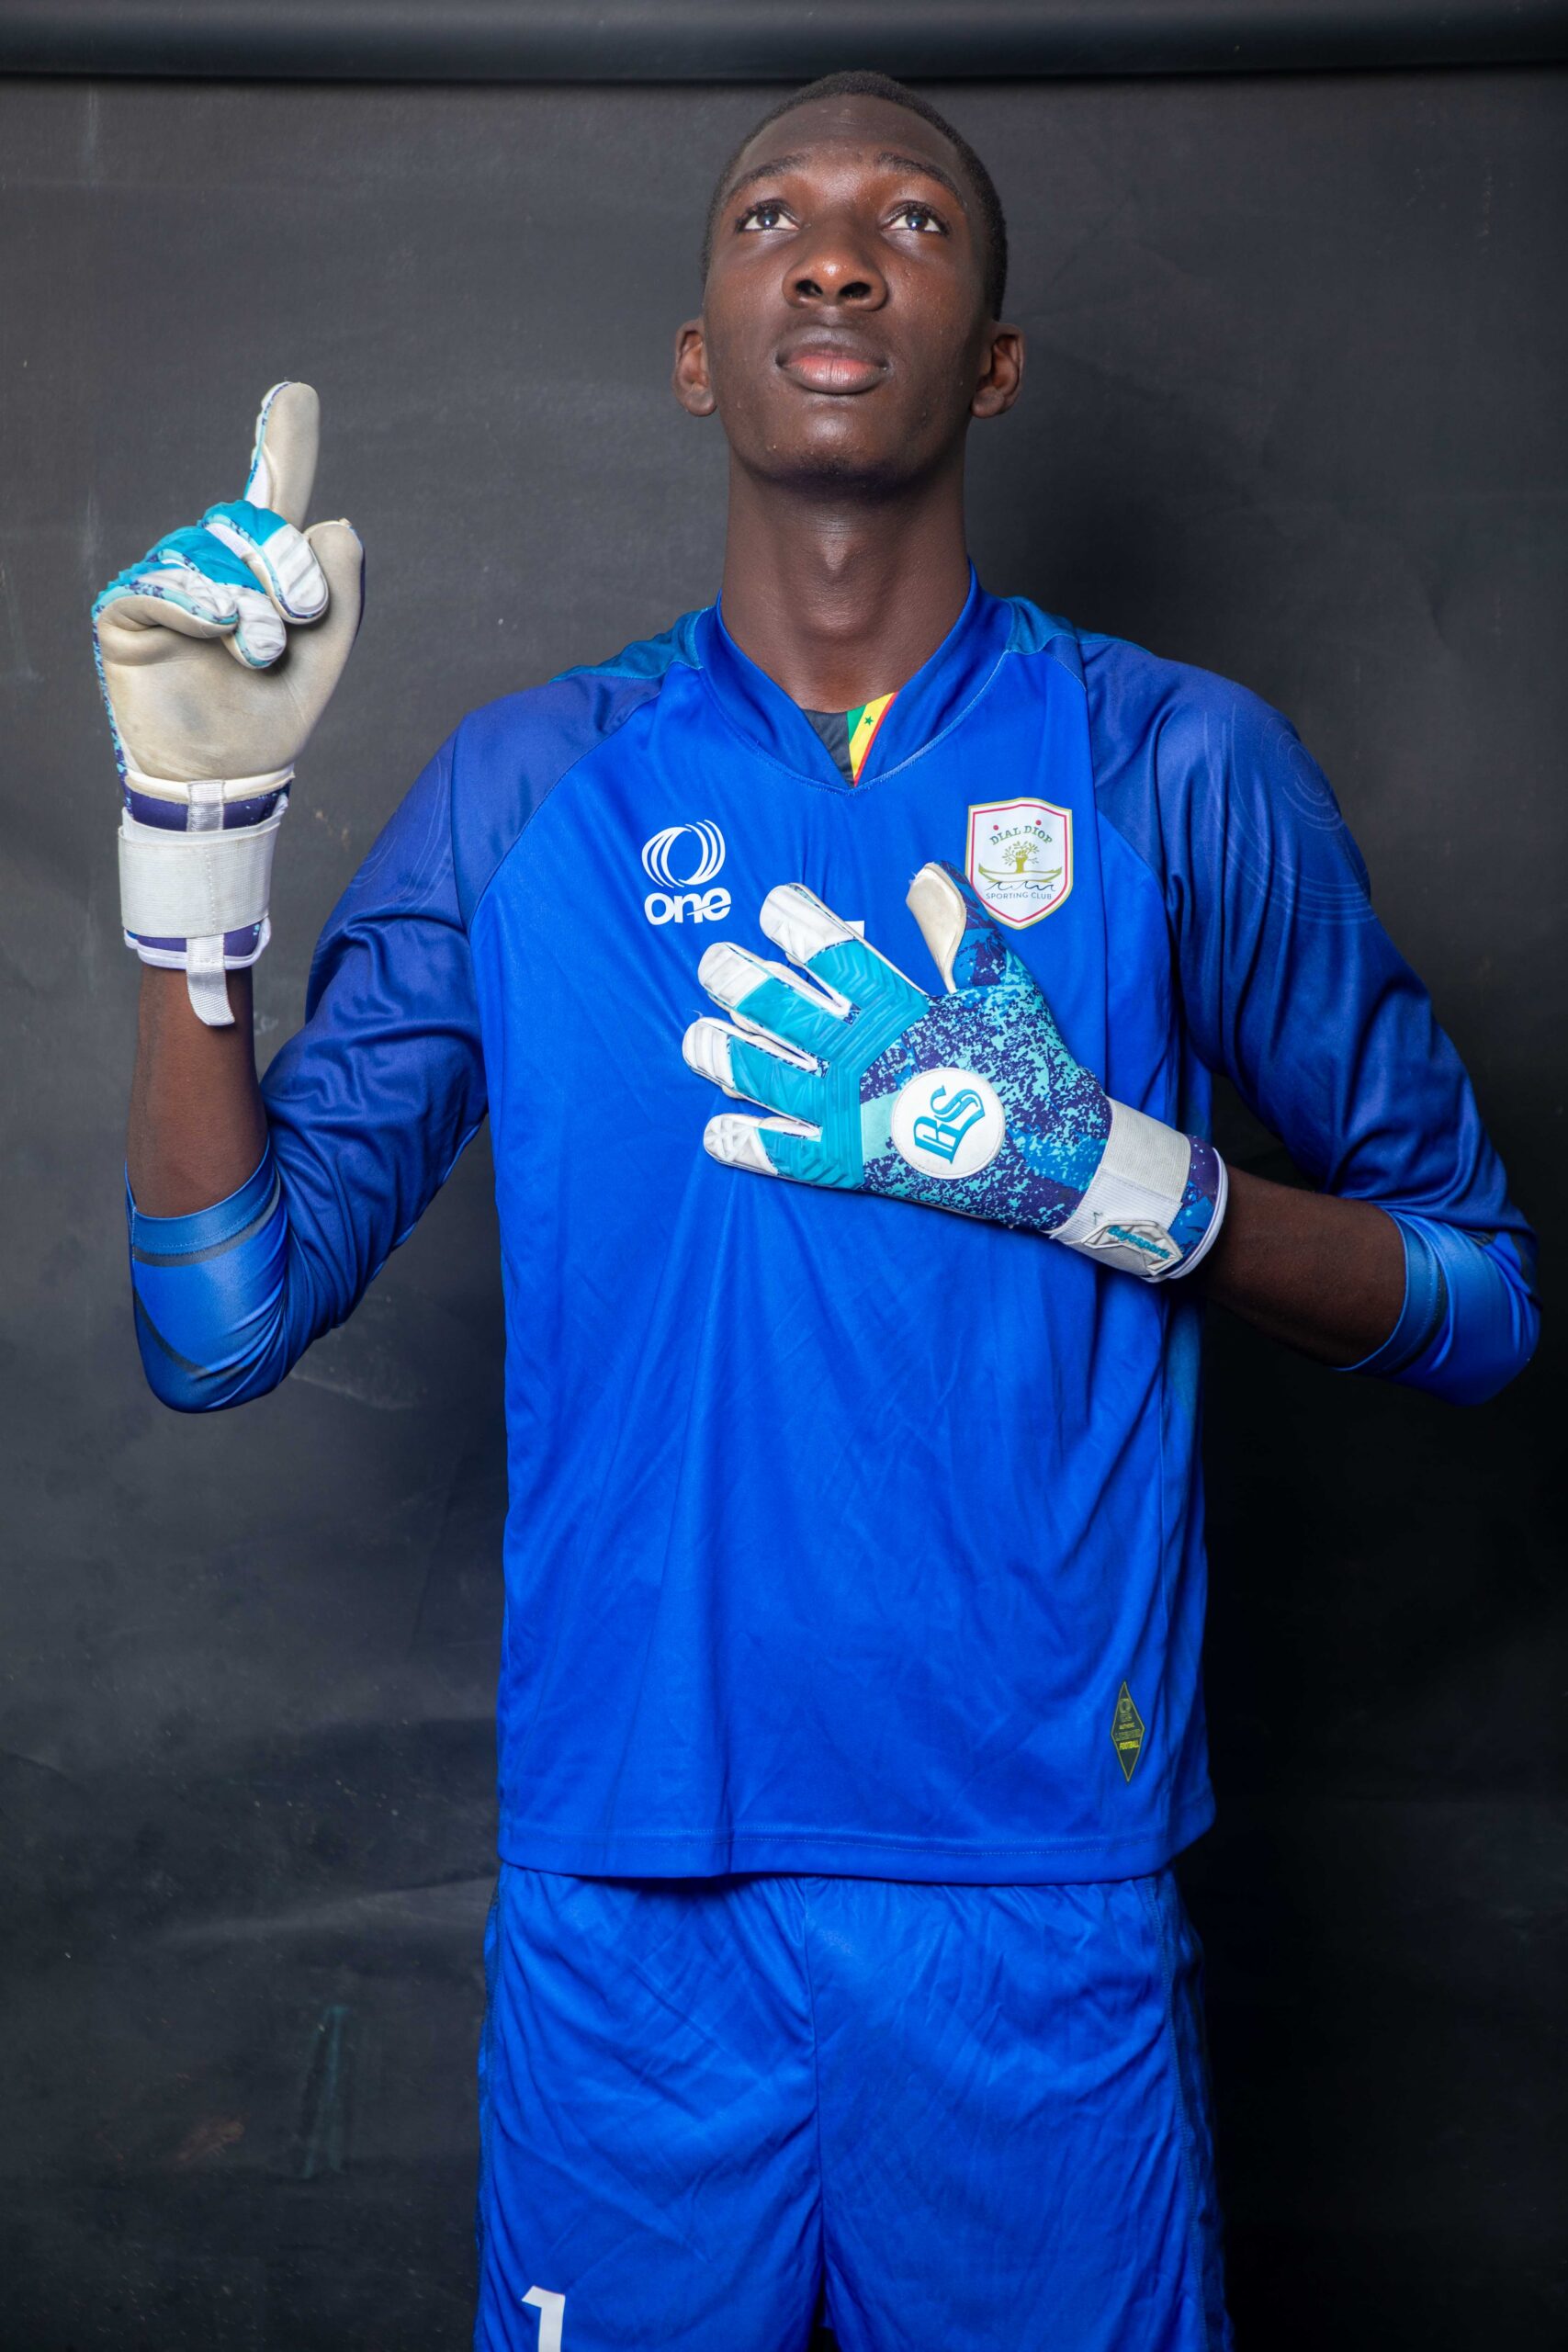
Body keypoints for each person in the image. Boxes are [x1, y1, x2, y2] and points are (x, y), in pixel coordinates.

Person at [94, 69, 1538, 2352]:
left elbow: (1478, 1295)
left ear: (993, 359)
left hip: (1034, 1910)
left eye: (909, 222)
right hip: (625, 1922)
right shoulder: (530, 790)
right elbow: (220, 1318)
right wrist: (195, 846)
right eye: (774, 214)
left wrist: (1112, 1176)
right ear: (698, 354)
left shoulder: (1169, 766)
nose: (839, 252)